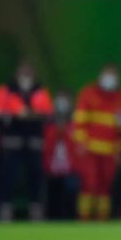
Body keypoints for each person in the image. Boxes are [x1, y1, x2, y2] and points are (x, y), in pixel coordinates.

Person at [0, 62, 54, 221]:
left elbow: (47, 114)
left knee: (35, 177)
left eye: (29, 72)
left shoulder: (40, 91)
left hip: (34, 141)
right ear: (16, 74)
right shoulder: (5, 90)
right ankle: (5, 210)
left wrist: (25, 114)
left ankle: (36, 210)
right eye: (23, 72)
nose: (26, 76)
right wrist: (22, 114)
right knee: (8, 177)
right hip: (11, 141)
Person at [72, 64, 121, 221]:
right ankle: (84, 220)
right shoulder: (88, 93)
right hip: (90, 149)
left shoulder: (119, 98)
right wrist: (81, 142)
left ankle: (102, 220)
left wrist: (119, 149)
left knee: (105, 187)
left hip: (109, 151)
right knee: (89, 184)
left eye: (114, 76)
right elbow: (80, 121)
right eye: (108, 75)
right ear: (101, 76)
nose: (110, 79)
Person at [42, 91, 80, 220]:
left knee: (70, 199)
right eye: (59, 100)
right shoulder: (47, 121)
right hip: (51, 168)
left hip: (71, 169)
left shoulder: (76, 121)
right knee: (52, 200)